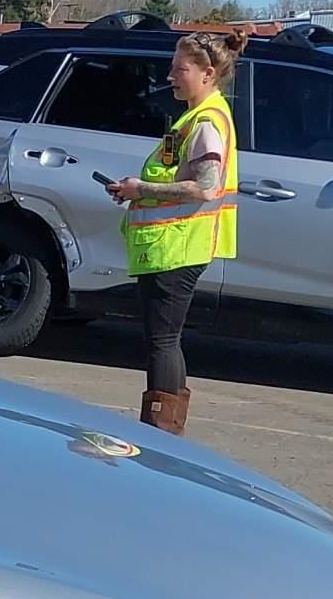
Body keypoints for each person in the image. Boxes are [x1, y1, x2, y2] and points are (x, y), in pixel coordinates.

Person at [105, 28, 245, 435]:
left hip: (178, 245)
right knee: (164, 339)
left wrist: (140, 189)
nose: (170, 75)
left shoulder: (206, 122)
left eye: (179, 68)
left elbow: (205, 186)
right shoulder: (192, 118)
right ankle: (164, 426)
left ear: (207, 73)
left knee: (163, 341)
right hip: (171, 244)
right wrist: (137, 192)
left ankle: (162, 430)